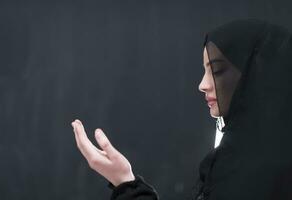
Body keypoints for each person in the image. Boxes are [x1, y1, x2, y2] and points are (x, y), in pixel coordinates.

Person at [71, 19, 292, 199]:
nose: (202, 84)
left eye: (216, 71)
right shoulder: (234, 161)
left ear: (255, 75)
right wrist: (124, 181)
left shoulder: (263, 173)